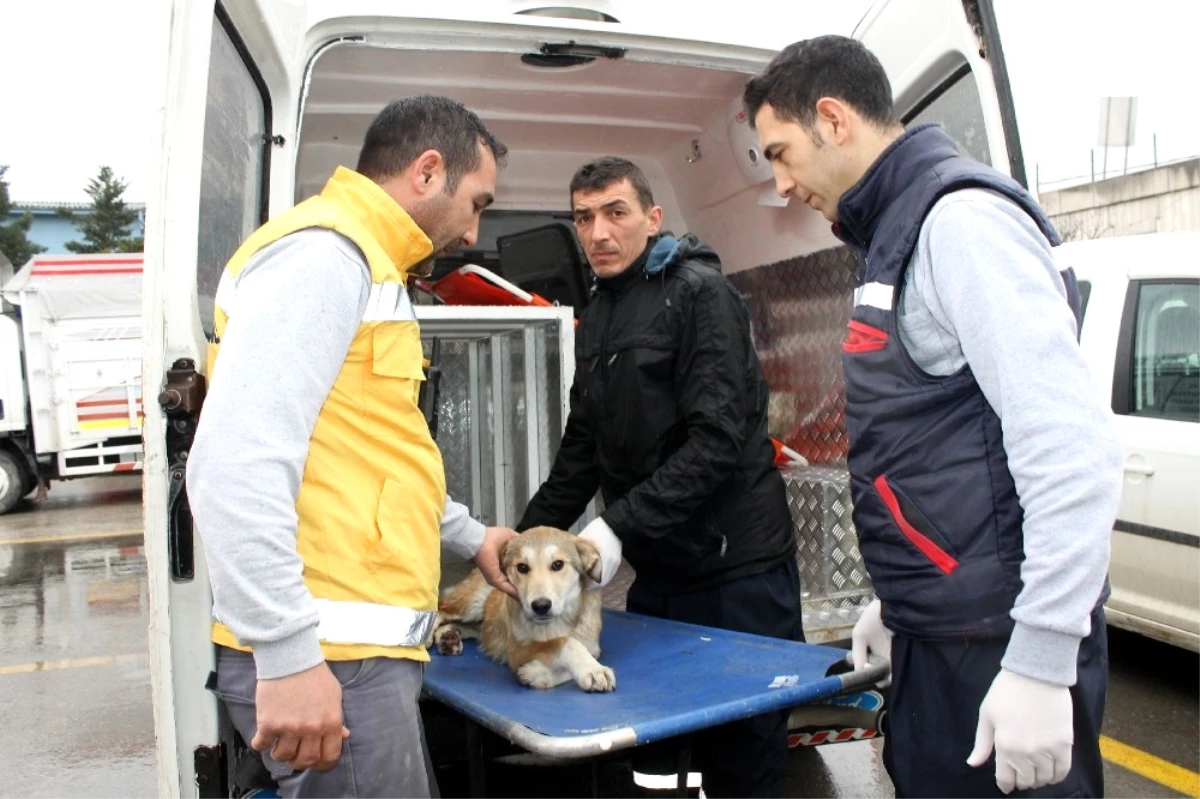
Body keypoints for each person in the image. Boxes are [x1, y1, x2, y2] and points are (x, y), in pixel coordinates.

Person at [743, 36, 1124, 798]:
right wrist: (899, 596)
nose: (781, 183)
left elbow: (1071, 451)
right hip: (941, 635)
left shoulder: (962, 224)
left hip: (996, 644)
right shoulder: (894, 235)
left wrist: (1043, 659)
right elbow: (935, 450)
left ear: (833, 119)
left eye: (781, 153)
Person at [186, 95, 519, 799]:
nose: (472, 230)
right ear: (427, 172)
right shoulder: (325, 254)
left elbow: (373, 456)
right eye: (477, 201)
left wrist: (470, 534)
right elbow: (234, 462)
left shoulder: (369, 266)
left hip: (349, 660)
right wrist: (287, 655)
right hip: (328, 662)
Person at [515, 156, 804, 799]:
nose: (598, 233)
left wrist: (616, 526)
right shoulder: (600, 312)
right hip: (663, 572)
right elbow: (582, 448)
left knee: (745, 746)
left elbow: (718, 440)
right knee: (655, 740)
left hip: (737, 570)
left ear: (652, 218)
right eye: (583, 218)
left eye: (615, 213)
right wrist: (521, 543)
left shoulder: (701, 296)